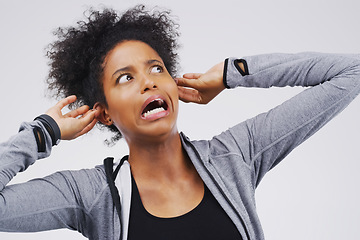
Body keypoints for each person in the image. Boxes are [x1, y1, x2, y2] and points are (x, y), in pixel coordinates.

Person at [1, 5, 359, 240]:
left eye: (157, 68)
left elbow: (351, 72)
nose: (149, 81)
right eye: (125, 78)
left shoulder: (235, 155)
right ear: (104, 112)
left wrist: (235, 73)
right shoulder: (91, 194)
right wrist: (41, 133)